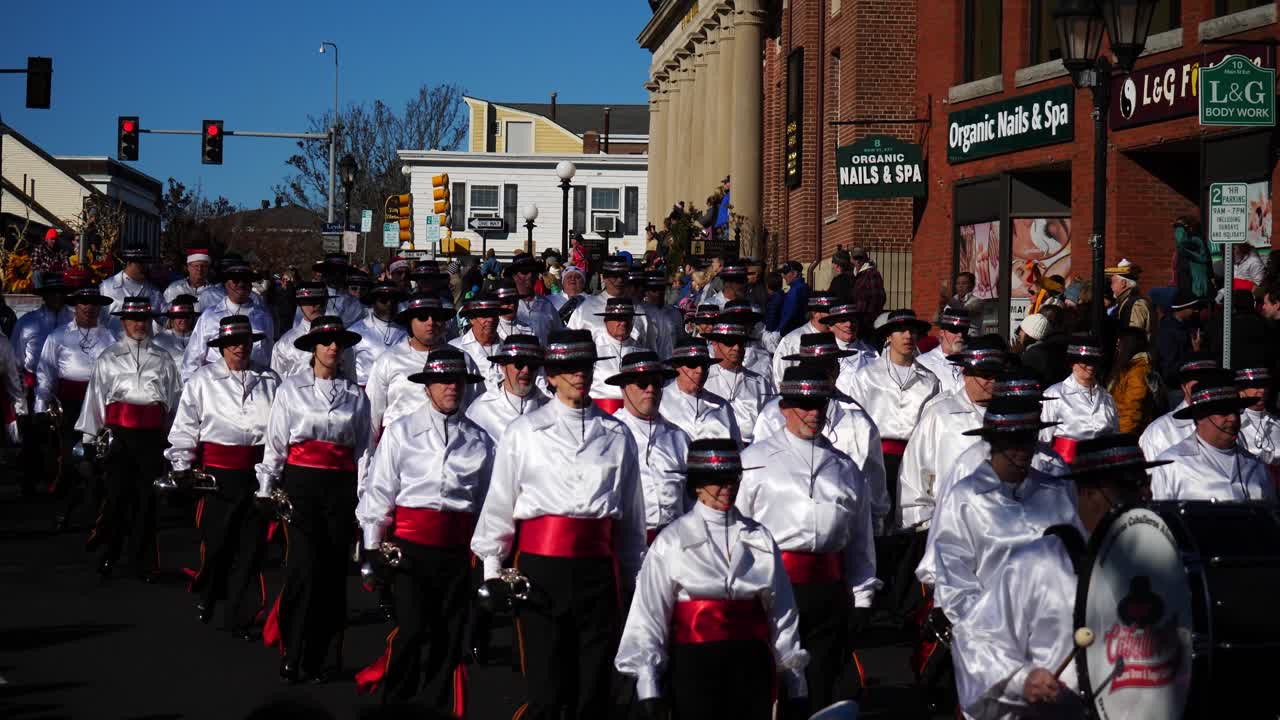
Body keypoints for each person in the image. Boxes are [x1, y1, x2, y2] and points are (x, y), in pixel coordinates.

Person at [470, 329, 646, 720]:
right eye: (567, 368)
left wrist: (635, 581)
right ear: (550, 376)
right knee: (547, 688)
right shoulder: (525, 433)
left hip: (598, 573)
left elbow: (632, 519)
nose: (577, 375)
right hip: (541, 570)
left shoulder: (617, 435)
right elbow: (500, 502)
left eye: (583, 366)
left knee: (593, 687)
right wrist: (493, 570)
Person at [951, 434, 1162, 719]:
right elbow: (975, 638)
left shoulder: (1163, 562)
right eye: (1127, 487)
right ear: (1088, 493)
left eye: (1144, 483)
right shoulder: (1039, 563)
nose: (1144, 496)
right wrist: (1022, 680)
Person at [614, 438, 809, 720]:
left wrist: (794, 679)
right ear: (697, 485)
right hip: (694, 668)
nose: (727, 487)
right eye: (717, 480)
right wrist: (649, 686)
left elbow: (782, 614)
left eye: (733, 478)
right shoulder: (672, 542)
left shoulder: (760, 539)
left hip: (750, 666)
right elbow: (649, 617)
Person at [354, 347, 494, 708]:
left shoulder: (480, 440)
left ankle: (433, 707)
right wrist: (372, 547)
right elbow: (379, 490)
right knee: (414, 629)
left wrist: (486, 557)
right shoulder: (401, 432)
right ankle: (394, 705)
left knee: (448, 636)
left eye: (457, 381)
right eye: (443, 381)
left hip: (456, 554)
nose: (451, 387)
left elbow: (486, 506)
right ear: (427, 386)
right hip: (410, 551)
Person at [737, 365, 880, 717]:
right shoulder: (754, 461)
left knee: (821, 681)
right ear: (783, 408)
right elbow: (737, 531)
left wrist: (862, 597)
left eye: (820, 403)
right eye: (803, 404)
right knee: (773, 682)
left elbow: (860, 541)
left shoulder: (845, 467)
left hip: (828, 591)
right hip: (772, 587)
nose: (814, 413)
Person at [257, 316, 372, 683]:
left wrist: (364, 498)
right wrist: (266, 487)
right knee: (304, 570)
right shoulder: (290, 390)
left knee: (334, 576)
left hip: (339, 488)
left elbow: (364, 452)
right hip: (302, 485)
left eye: (338, 342)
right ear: (313, 348)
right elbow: (276, 444)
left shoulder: (356, 395)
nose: (333, 348)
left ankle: (327, 657)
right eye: (325, 341)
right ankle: (294, 650)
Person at [165, 315, 280, 636]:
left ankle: (238, 616)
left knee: (251, 547)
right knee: (218, 545)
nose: (239, 349)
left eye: (244, 342)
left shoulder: (270, 379)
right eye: (232, 344)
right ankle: (210, 589)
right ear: (221, 348)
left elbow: (282, 429)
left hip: (258, 474)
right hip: (217, 476)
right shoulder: (202, 381)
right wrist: (182, 467)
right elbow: (185, 427)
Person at [929, 398, 1076, 630]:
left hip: (1053, 631)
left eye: (1029, 439)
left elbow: (1074, 557)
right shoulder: (965, 497)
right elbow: (954, 574)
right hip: (990, 635)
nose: (1024, 450)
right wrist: (994, 625)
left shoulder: (1056, 492)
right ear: (993, 443)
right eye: (1013, 442)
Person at [76, 297, 181, 580]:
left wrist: (174, 444)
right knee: (116, 497)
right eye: (134, 319)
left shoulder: (164, 359)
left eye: (144, 319)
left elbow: (173, 404)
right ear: (123, 322)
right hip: (119, 438)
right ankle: (109, 553)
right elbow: (95, 400)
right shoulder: (108, 357)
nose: (139, 325)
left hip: (150, 439)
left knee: (146, 501)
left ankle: (143, 562)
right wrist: (89, 443)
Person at [751, 333, 890, 533]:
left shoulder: (857, 419)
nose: (822, 373)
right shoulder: (775, 413)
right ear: (801, 367)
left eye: (828, 365)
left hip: (840, 530)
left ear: (837, 368)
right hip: (781, 525)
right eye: (813, 366)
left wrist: (876, 527)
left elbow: (874, 483)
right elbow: (758, 468)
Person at [899, 337, 1007, 533]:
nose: (992, 381)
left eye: (996, 375)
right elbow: (915, 474)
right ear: (965, 373)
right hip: (949, 528)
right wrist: (924, 525)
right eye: (984, 375)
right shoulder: (940, 415)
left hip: (1001, 526)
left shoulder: (1010, 416)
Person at [842, 309, 940, 526]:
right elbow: (855, 423)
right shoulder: (867, 376)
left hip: (915, 459)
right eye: (900, 330)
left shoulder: (930, 380)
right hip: (876, 457)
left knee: (910, 521)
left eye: (912, 331)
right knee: (876, 519)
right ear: (888, 335)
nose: (907, 336)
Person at [35, 286, 116, 523]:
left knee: (98, 457)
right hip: (70, 404)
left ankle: (95, 508)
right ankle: (68, 505)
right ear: (75, 306)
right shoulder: (58, 336)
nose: (89, 308)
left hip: (101, 403)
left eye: (94, 304)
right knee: (72, 456)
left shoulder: (111, 337)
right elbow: (45, 372)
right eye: (84, 303)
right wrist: (41, 407)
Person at [1150, 369, 1275, 503]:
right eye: (1223, 412)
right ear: (1200, 417)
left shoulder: (1256, 465)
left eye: (1236, 411)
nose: (1233, 418)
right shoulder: (1171, 464)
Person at [367, 294, 478, 442]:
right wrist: (368, 459)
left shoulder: (462, 358)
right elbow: (371, 415)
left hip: (452, 444)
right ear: (409, 322)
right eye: (422, 317)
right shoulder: (388, 360)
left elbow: (475, 408)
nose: (431, 322)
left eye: (437, 317)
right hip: (400, 444)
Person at [605, 350, 690, 543]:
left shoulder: (679, 438)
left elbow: (691, 500)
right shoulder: (608, 434)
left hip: (676, 543)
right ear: (623, 387)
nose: (650, 389)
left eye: (657, 383)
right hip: (626, 541)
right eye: (642, 383)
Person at [182, 260, 275, 382]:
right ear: (226, 284)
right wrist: (190, 388)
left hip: (254, 385)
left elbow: (269, 356)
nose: (241, 284)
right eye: (235, 280)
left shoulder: (263, 317)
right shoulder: (209, 316)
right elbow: (193, 358)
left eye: (246, 280)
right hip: (216, 386)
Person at [1039, 336, 1118, 463]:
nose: (1090, 366)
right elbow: (1043, 441)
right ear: (1072, 363)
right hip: (1065, 469)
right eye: (1085, 362)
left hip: (1101, 471)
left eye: (1094, 361)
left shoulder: (1107, 398)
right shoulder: (1054, 395)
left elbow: (1114, 437)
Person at [465, 334, 550, 443]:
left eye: (533, 365)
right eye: (519, 364)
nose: (526, 371)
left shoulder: (549, 406)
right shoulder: (480, 410)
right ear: (502, 366)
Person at [1139, 354, 1220, 462]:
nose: (1205, 384)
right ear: (1184, 386)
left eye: (1210, 378)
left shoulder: (1231, 426)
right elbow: (1152, 475)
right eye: (1198, 378)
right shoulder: (1159, 431)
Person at [660, 336, 741, 443]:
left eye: (705, 365)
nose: (700, 370)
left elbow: (736, 449)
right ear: (676, 366)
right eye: (692, 364)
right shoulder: (659, 402)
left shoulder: (722, 406)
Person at [702, 321, 772, 445]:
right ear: (715, 344)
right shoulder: (703, 379)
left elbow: (769, 424)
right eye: (729, 342)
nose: (737, 348)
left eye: (740, 343)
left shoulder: (759, 383)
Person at [272, 283, 354, 380]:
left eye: (321, 301)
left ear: (327, 302)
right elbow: (277, 380)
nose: (317, 306)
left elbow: (350, 377)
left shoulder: (341, 339)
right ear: (299, 304)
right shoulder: (285, 343)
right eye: (311, 302)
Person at [587, 297, 648, 415]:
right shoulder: (593, 350)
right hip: (599, 415)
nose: (623, 323)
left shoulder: (643, 352)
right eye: (618, 319)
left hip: (634, 415)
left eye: (628, 318)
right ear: (606, 320)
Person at [567, 255, 648, 341]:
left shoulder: (639, 310)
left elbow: (649, 347)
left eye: (623, 275)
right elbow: (570, 340)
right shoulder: (584, 308)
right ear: (604, 278)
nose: (620, 280)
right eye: (614, 276)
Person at [348, 281, 408, 388]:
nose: (389, 304)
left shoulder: (406, 332)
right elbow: (346, 368)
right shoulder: (354, 332)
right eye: (383, 300)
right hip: (365, 392)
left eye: (394, 300)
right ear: (373, 303)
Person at [773, 291, 838, 382]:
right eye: (829, 312)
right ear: (815, 313)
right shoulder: (792, 341)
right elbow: (780, 378)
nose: (834, 316)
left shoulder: (840, 336)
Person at [1106, 326, 1159, 435]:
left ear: (1129, 344)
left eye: (1120, 342)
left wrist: (1121, 437)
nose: (1117, 345)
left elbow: (1132, 410)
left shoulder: (1138, 372)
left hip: (1128, 434)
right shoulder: (1128, 367)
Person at [99, 248, 164, 335]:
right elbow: (98, 318)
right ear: (129, 263)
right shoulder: (107, 287)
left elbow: (163, 318)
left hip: (142, 345)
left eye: (147, 263)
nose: (145, 267)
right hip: (113, 343)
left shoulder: (153, 291)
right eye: (140, 263)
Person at [818, 302, 879, 388]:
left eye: (852, 320)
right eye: (843, 321)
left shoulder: (873, 353)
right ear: (831, 326)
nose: (849, 324)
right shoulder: (822, 353)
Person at [1155, 289, 1205, 394]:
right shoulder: (1169, 331)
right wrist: (1195, 351)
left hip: (1185, 383)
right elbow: (1170, 364)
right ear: (1183, 308)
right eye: (1194, 308)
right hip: (1177, 387)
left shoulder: (1186, 325)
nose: (1197, 311)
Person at [507, 252, 564, 343]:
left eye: (533, 271)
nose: (529, 275)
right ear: (514, 276)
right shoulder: (506, 305)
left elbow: (559, 336)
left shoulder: (547, 305)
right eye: (524, 271)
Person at [915, 308, 971, 396]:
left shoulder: (972, 363)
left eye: (964, 330)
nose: (960, 335)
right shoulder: (923, 363)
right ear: (942, 332)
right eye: (954, 330)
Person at [1237, 367, 1279, 471]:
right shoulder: (1233, 424)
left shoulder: (1277, 422)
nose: (1262, 390)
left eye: (1265, 386)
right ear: (1241, 391)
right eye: (1256, 386)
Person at [306, 253, 365, 327]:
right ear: (325, 273)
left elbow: (360, 329)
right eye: (332, 271)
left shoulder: (354, 303)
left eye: (341, 272)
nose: (337, 275)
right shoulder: (311, 298)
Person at [1105, 259, 1155, 339]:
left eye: (1113, 282)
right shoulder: (1126, 301)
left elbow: (1133, 337)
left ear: (1123, 283)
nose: (1111, 286)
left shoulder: (1137, 304)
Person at [641, 270, 682, 361]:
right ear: (646, 292)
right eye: (654, 290)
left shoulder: (675, 313)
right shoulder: (641, 315)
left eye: (661, 289)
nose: (659, 293)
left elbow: (680, 341)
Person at [152, 295, 199, 367]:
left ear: (193, 317)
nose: (184, 320)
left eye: (188, 316)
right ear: (172, 318)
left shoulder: (200, 338)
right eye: (180, 316)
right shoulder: (159, 341)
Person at [1174, 215, 1213, 300]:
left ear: (1190, 228)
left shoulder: (1196, 241)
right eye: (1176, 227)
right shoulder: (1183, 247)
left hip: (1197, 289)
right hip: (1186, 286)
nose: (1177, 231)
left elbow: (1182, 243)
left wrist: (1180, 228)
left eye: (1180, 227)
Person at [848, 247, 886, 328]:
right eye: (855, 258)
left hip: (867, 320)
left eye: (860, 258)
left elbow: (879, 297)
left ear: (865, 258)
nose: (858, 260)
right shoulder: (852, 275)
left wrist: (869, 317)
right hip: (854, 320)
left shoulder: (872, 273)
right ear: (851, 259)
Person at [776, 261, 810, 336]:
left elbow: (789, 314)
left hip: (791, 332)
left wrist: (779, 331)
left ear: (795, 273)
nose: (783, 276)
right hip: (797, 331)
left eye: (785, 272)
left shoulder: (796, 290)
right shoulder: (800, 288)